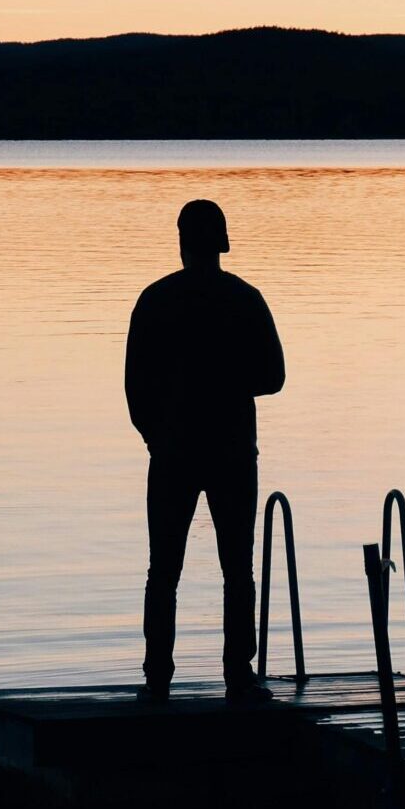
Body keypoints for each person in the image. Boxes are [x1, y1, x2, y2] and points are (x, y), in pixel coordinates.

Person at [124, 199, 285, 703]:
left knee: (163, 569)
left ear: (182, 241)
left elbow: (135, 386)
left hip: (171, 452)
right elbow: (274, 377)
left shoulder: (155, 300)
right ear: (222, 242)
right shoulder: (246, 299)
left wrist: (156, 435)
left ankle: (157, 678)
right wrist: (232, 384)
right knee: (237, 566)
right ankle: (239, 673)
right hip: (233, 450)